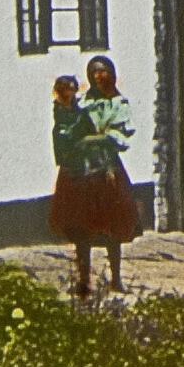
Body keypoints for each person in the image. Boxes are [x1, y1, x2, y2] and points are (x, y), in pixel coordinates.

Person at [49, 56, 139, 298]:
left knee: (112, 225)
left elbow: (119, 135)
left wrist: (95, 139)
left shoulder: (118, 103)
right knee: (81, 225)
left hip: (106, 167)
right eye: (95, 73)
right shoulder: (83, 103)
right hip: (81, 169)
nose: (100, 77)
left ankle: (116, 278)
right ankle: (84, 279)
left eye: (104, 72)